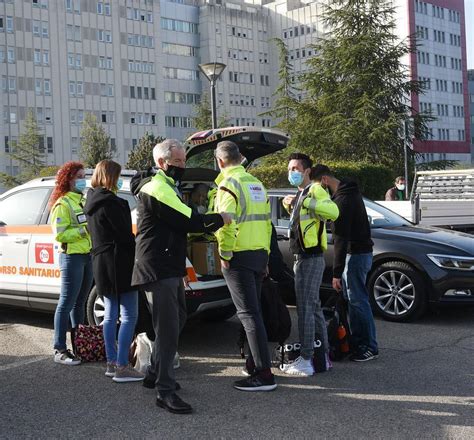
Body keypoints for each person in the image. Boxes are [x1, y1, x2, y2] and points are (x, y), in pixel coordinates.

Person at [131, 139, 230, 414]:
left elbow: (175, 232)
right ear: (162, 162)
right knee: (168, 328)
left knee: (179, 318)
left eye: (184, 161)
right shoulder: (157, 188)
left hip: (169, 265)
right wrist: (219, 218)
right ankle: (165, 390)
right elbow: (186, 220)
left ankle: (153, 373)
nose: (183, 166)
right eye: (178, 162)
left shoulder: (167, 185)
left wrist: (183, 269)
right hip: (157, 267)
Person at [214, 140, 276, 392]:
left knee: (248, 315)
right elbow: (266, 223)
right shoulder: (255, 183)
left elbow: (227, 223)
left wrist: (224, 252)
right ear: (240, 158)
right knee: (254, 313)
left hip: (238, 255)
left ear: (219, 162)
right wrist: (267, 255)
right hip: (259, 253)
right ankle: (254, 363)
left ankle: (263, 373)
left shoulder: (228, 185)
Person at [84, 160, 144, 382]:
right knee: (129, 315)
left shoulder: (90, 201)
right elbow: (124, 237)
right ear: (111, 177)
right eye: (117, 176)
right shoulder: (115, 203)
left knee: (109, 315)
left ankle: (111, 362)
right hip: (120, 262)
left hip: (100, 261)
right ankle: (122, 366)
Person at [312, 164, 378, 362]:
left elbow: (340, 238)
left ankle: (368, 347)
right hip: (361, 253)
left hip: (355, 255)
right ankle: (359, 343)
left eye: (316, 186)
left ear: (324, 180)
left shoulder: (342, 200)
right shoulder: (349, 192)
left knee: (358, 302)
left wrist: (335, 273)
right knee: (356, 300)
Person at [280, 153, 339, 376]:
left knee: (304, 308)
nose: (291, 172)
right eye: (289, 169)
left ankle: (306, 358)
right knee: (313, 308)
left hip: (310, 257)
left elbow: (333, 211)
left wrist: (304, 201)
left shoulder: (314, 190)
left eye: (295, 168)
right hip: (304, 257)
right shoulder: (302, 193)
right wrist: (292, 205)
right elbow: (305, 223)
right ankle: (322, 356)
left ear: (306, 171)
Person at [49, 161, 93, 365]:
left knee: (80, 302)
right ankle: (59, 349)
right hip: (71, 257)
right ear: (68, 180)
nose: (83, 180)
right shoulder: (63, 204)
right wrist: (84, 231)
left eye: (84, 176)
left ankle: (80, 345)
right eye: (79, 177)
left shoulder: (81, 201)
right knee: (66, 303)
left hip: (87, 255)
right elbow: (60, 234)